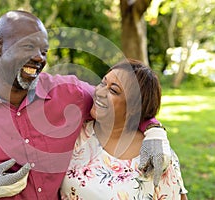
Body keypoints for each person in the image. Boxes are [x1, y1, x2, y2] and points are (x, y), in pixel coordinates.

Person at [0, 10, 171, 199]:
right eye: (28, 46)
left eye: (44, 50)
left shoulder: (69, 93)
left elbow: (121, 102)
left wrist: (153, 130)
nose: (39, 58)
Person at [60, 59, 188, 200]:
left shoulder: (157, 153)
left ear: (134, 108)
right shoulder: (77, 134)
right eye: (103, 83)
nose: (100, 92)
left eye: (113, 90)